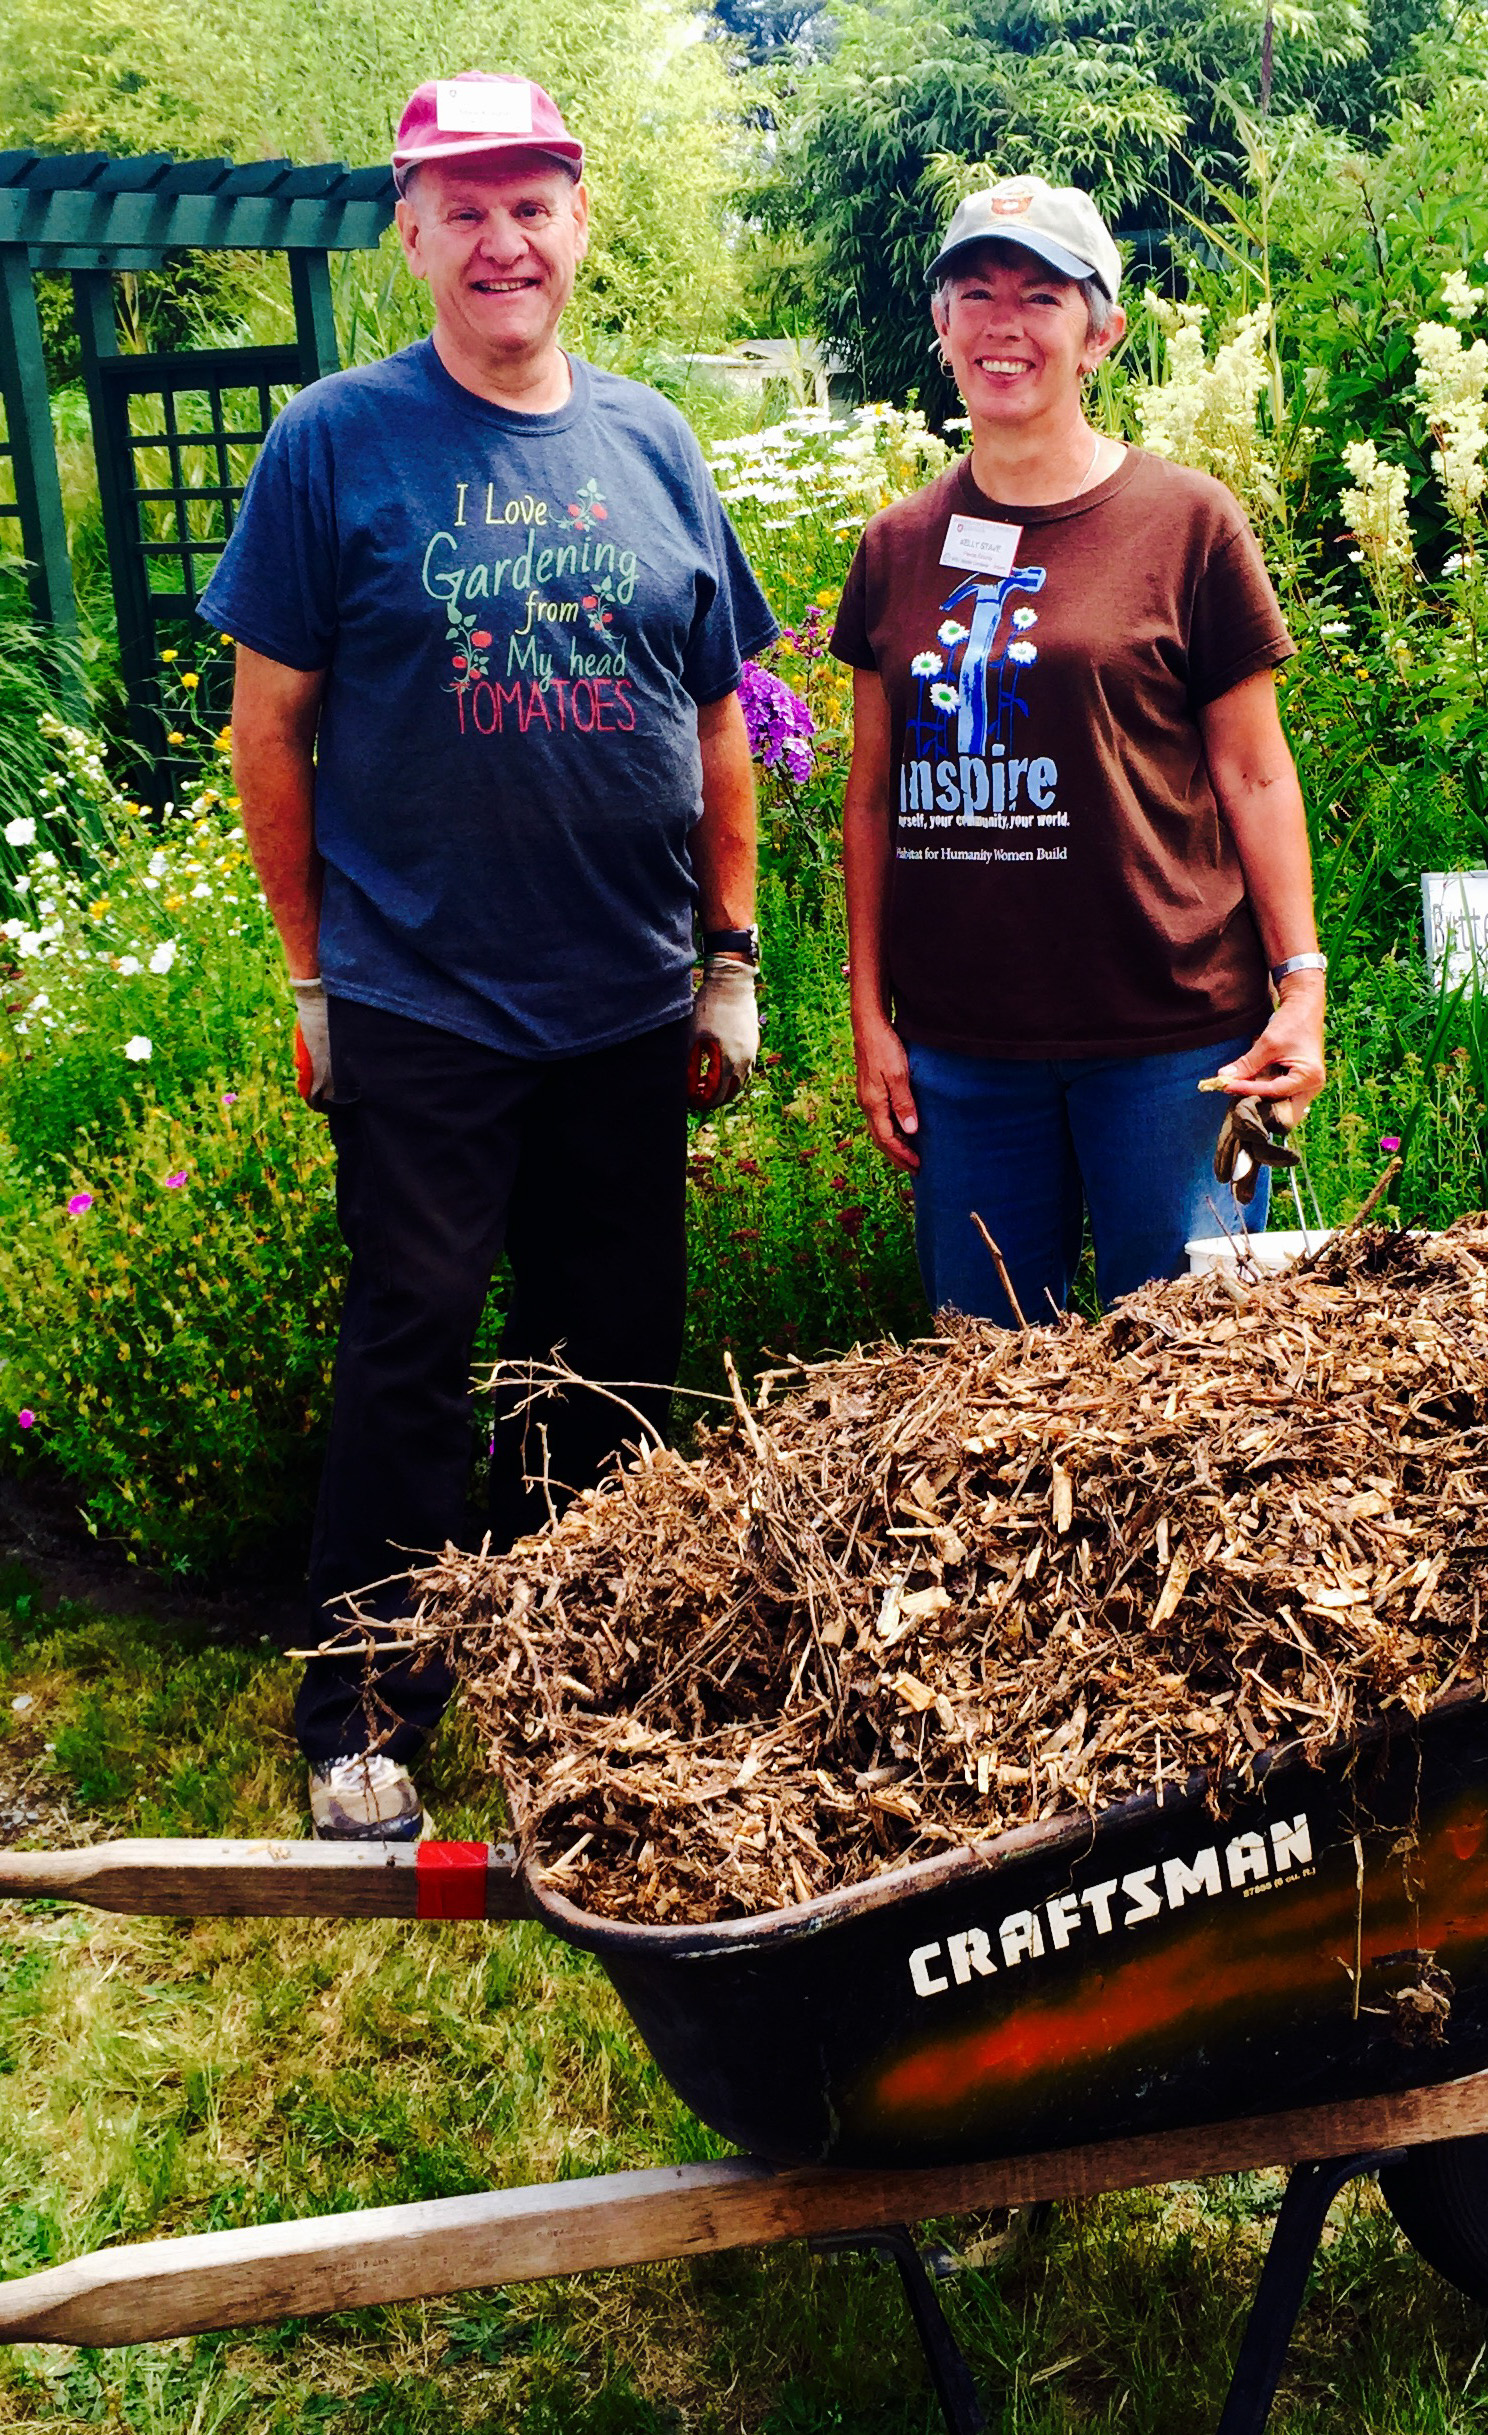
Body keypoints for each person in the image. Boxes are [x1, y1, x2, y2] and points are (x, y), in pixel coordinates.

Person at [201, 72, 776, 1841]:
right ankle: (364, 1711)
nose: (501, 238)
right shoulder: (333, 443)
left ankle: (584, 1697)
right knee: (414, 1353)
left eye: (530, 203)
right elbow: (267, 732)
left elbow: (721, 720)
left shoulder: (652, 440)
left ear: (575, 223)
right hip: (421, 1002)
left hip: (622, 1002)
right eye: (464, 208)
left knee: (610, 1363)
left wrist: (729, 962)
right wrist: (313, 979)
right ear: (411, 233)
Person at [833, 175, 1327, 1325]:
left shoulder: (1185, 523)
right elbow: (870, 798)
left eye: (1041, 296)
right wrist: (872, 1017)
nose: (1005, 323)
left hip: (1172, 1036)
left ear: (1099, 332)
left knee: (1199, 1386)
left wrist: (1298, 987)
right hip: (966, 1051)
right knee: (987, 1390)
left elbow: (1255, 770)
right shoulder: (898, 546)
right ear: (943, 326)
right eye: (976, 292)